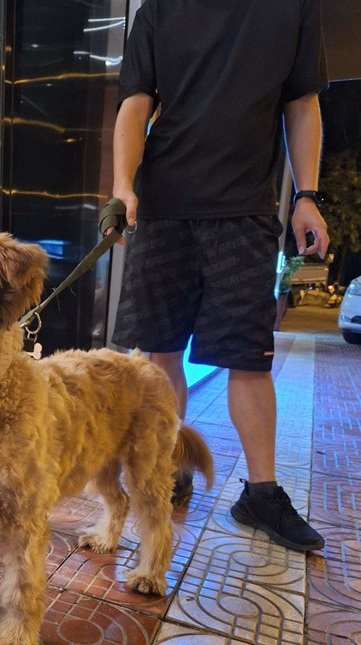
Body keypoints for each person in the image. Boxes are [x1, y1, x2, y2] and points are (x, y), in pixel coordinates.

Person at [110, 0, 329, 552]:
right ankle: (168, 467)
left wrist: (307, 196)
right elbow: (136, 102)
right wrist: (123, 186)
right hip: (164, 207)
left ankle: (260, 493)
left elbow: (302, 103)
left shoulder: (293, 9)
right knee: (160, 353)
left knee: (249, 357)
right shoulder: (159, 10)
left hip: (246, 210)